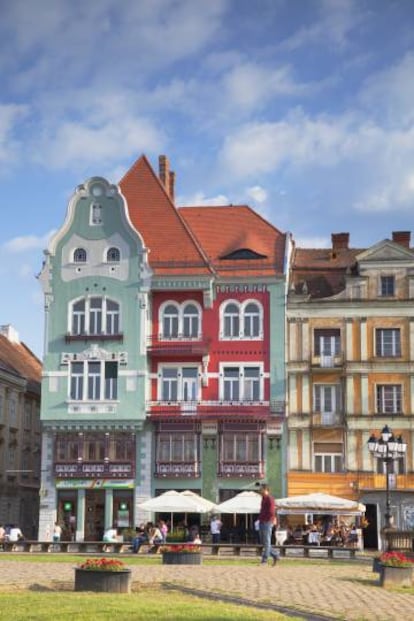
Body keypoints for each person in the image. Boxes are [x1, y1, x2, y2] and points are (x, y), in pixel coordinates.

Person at [258, 484, 279, 566]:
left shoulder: (270, 498)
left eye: (261, 489)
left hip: (267, 522)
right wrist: (259, 518)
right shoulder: (263, 498)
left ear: (265, 489)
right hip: (262, 521)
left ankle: (264, 560)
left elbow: (271, 511)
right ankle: (275, 555)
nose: (260, 490)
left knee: (266, 541)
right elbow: (262, 510)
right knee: (263, 542)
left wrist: (271, 519)